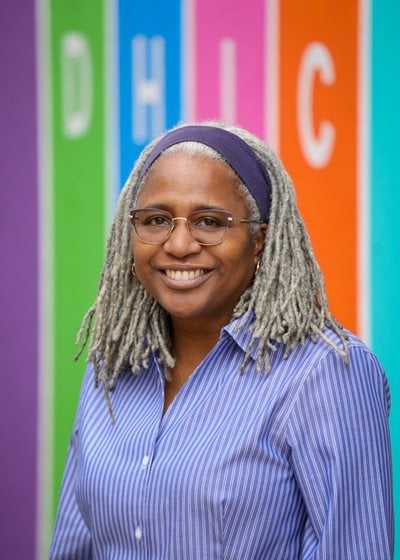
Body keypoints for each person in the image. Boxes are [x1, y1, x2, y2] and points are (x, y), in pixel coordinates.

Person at [49, 122, 393, 559]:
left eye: (209, 222)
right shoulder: (113, 368)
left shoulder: (324, 372)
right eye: (155, 220)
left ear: (259, 241)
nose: (178, 244)